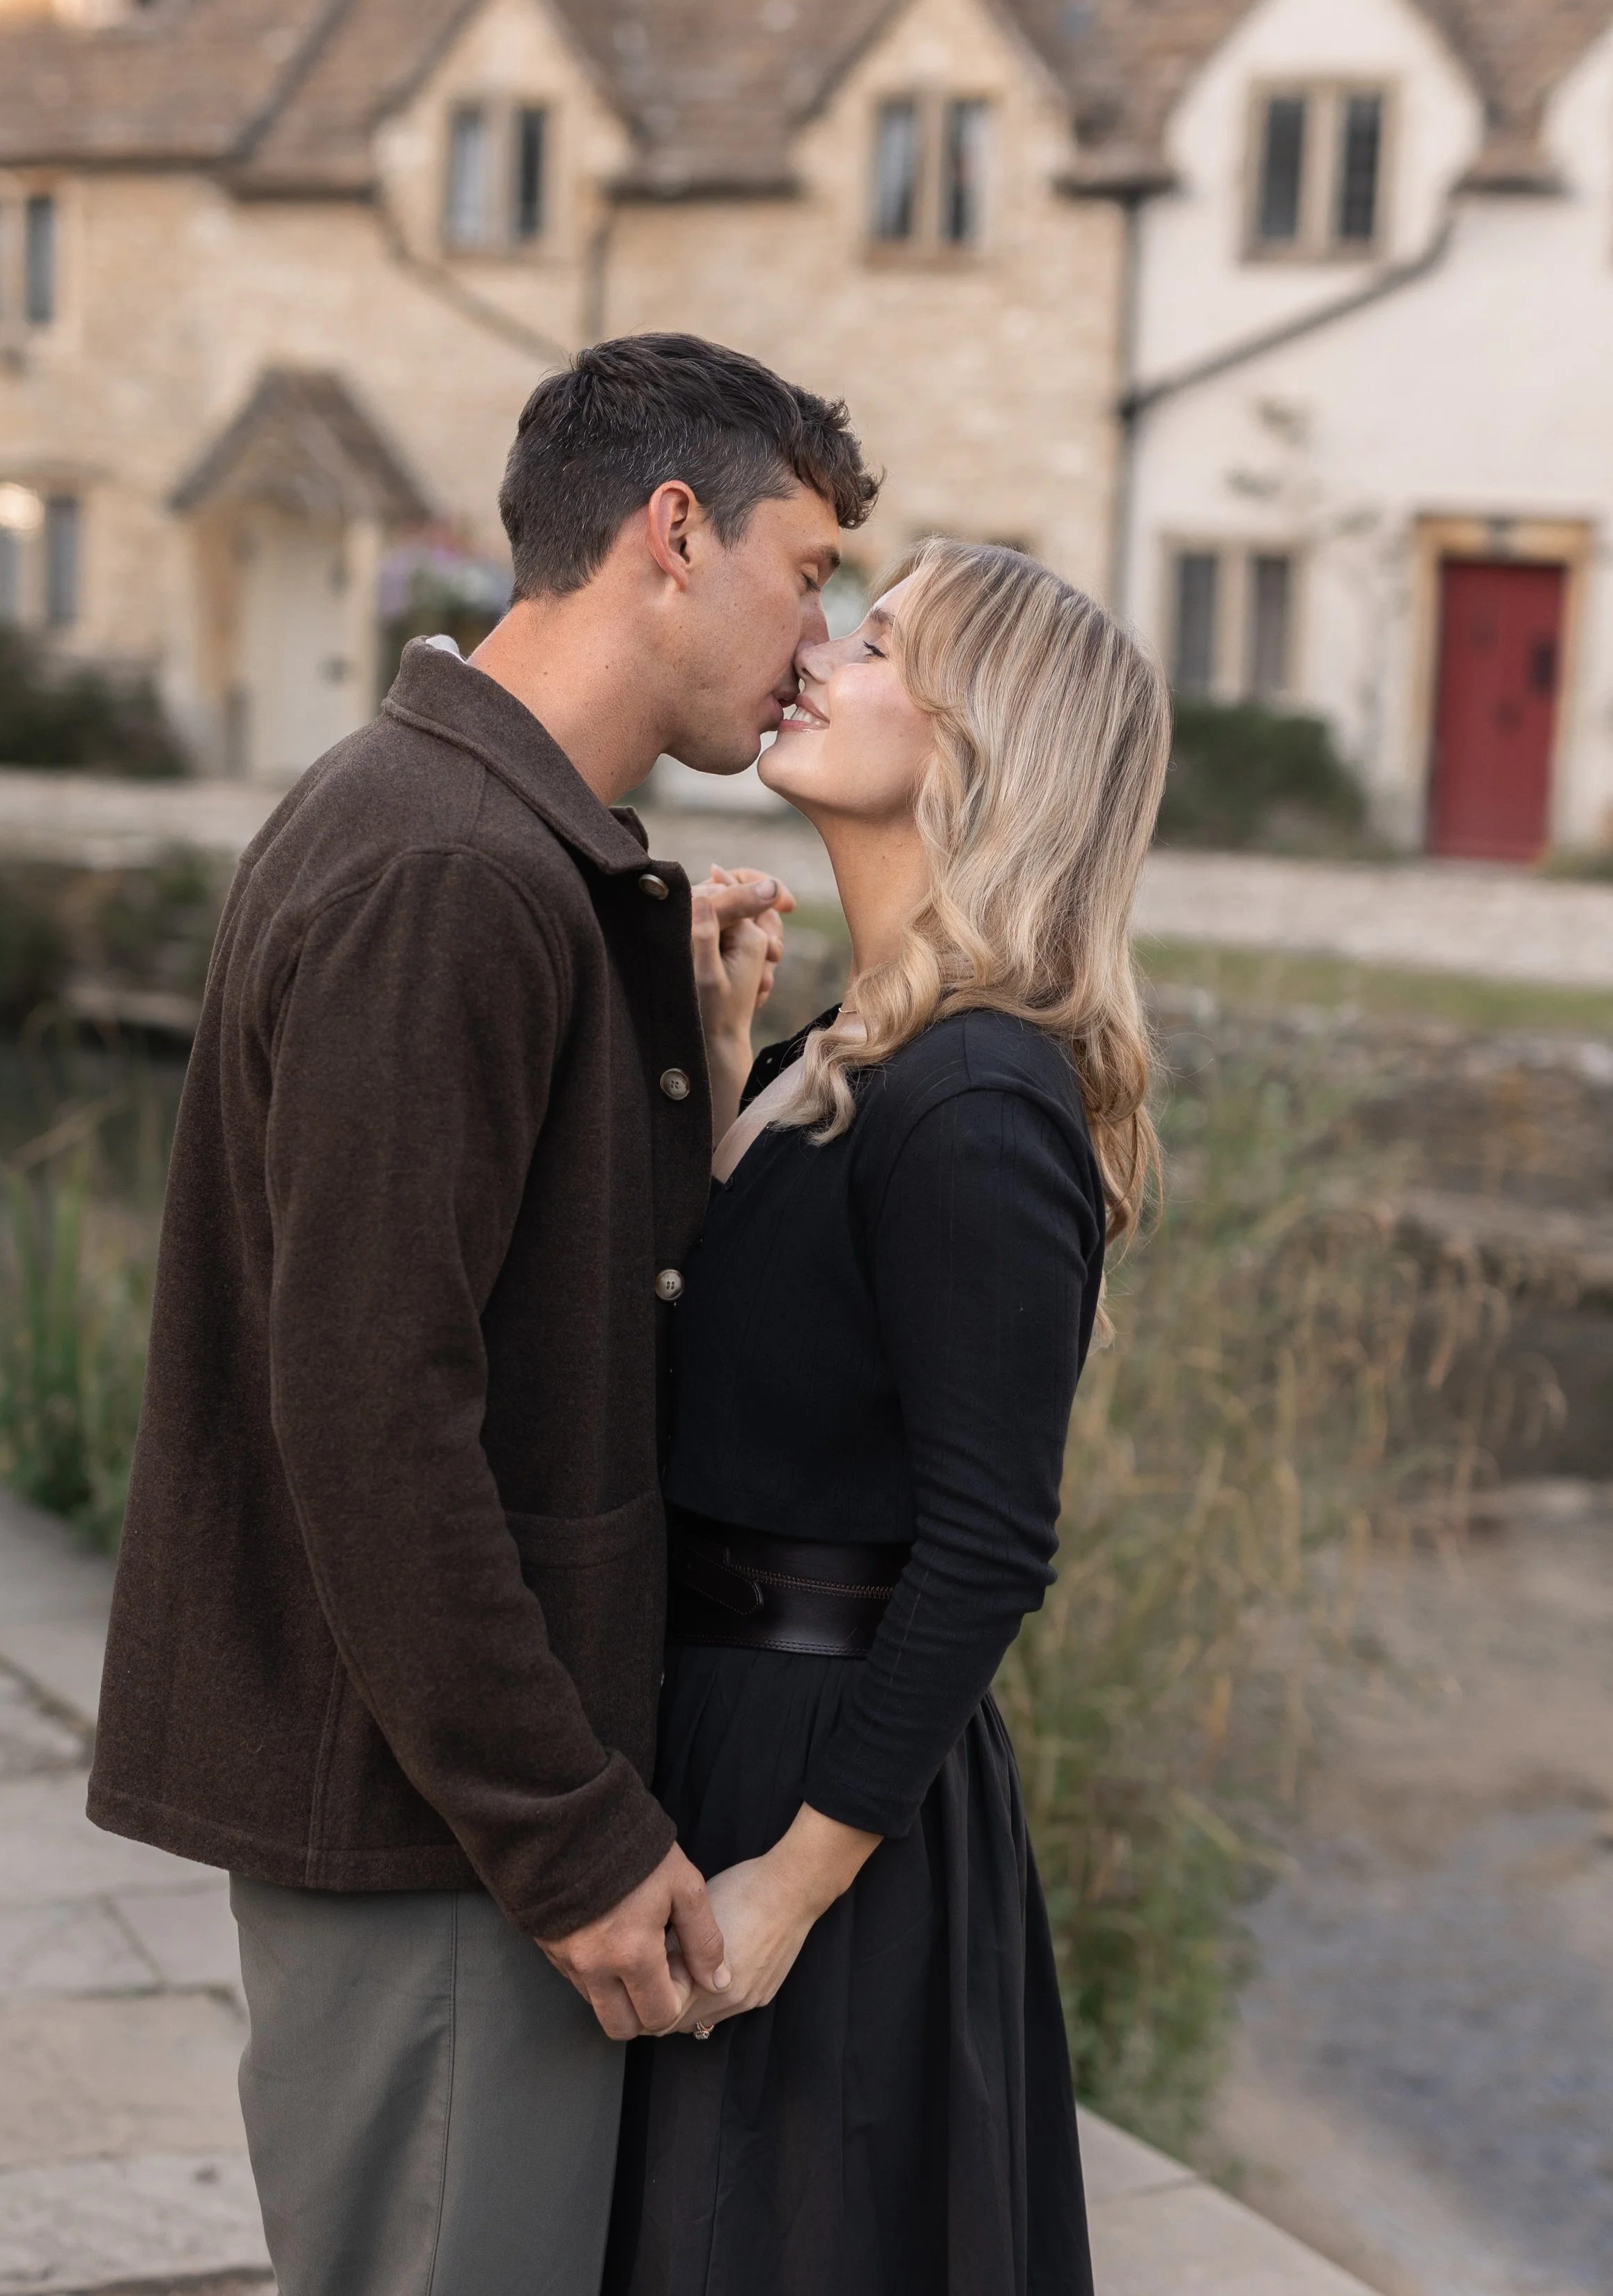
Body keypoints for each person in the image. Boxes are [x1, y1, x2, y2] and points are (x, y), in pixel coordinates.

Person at [86, 332, 879, 2296]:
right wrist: (570, 1832)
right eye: (808, 567)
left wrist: (691, 1064)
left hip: (446, 1803)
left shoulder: (484, 836)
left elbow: (545, 1325)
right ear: (671, 534)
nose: (816, 635)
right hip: (434, 1823)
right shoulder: (445, 865)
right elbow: (369, 1406)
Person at [604, 537, 1171, 2296]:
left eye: (873, 644)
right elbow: (745, 1381)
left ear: (971, 740)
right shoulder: (846, 1052)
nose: (815, 661)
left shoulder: (981, 1093)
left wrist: (790, 1881)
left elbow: (988, 1542)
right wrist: (717, 1064)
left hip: (819, 1792)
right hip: (723, 1731)